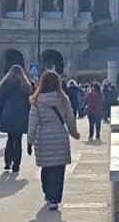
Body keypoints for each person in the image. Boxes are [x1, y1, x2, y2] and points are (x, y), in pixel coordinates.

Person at [27, 70, 80, 211]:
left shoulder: (36, 101)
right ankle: (56, 198)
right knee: (59, 169)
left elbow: (33, 124)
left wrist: (30, 142)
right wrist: (74, 132)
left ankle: (48, 194)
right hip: (60, 136)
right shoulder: (63, 99)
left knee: (46, 168)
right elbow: (70, 118)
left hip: (43, 137)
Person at [0, 65, 33, 173]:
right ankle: (16, 164)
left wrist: (0, 114)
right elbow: (30, 102)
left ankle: (7, 162)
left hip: (8, 114)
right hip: (22, 115)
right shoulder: (26, 85)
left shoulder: (5, 84)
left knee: (10, 139)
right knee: (18, 140)